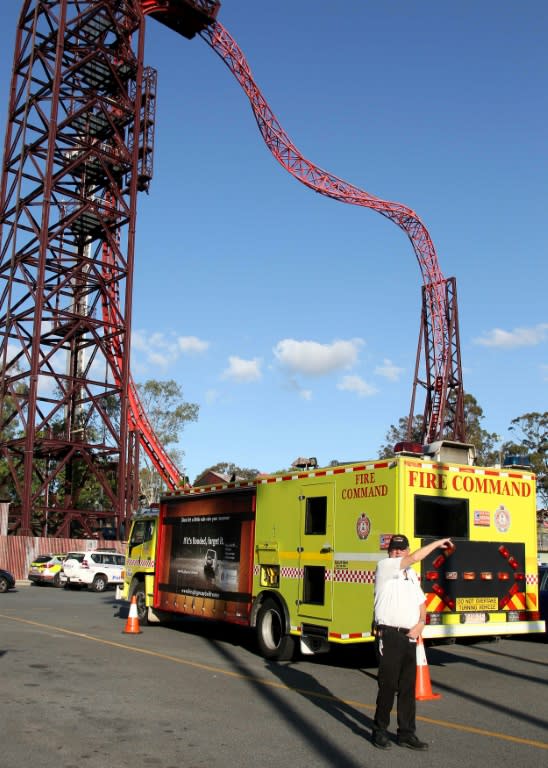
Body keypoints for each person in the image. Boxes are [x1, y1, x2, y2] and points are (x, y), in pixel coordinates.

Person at [371, 533, 453, 750]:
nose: (397, 552)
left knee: (407, 688)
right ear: (389, 552)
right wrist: (437, 543)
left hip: (410, 636)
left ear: (406, 550)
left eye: (401, 549)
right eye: (394, 548)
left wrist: (421, 623)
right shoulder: (386, 566)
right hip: (389, 635)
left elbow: (421, 601)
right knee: (387, 685)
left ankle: (406, 733)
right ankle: (379, 730)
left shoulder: (411, 575)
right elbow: (416, 558)